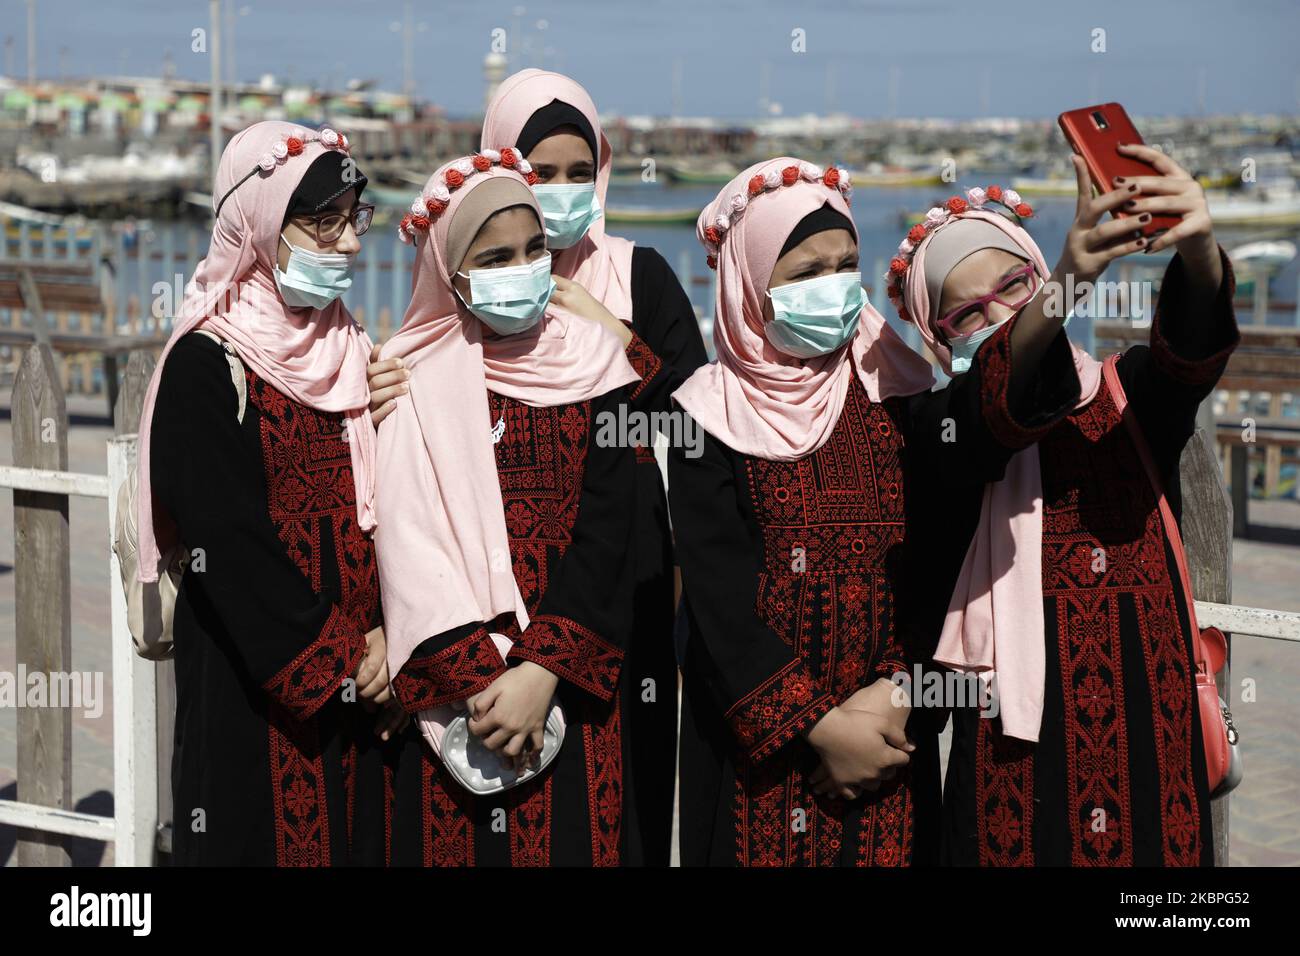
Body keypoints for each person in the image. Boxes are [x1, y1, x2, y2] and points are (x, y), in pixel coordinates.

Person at [370, 69, 707, 865]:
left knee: (615, 807)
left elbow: (689, 433)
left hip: (614, 604)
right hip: (468, 654)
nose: (558, 193)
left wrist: (612, 341)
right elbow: (404, 512)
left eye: (577, 171)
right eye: (539, 170)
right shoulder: (442, 327)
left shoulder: (636, 278)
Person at [886, 146, 1238, 866]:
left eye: (1016, 285)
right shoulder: (937, 423)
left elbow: (1189, 354)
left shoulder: (1128, 392)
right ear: (936, 336)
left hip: (1151, 741)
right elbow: (997, 407)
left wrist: (1198, 248)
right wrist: (1068, 280)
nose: (999, 313)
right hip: (1014, 760)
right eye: (966, 313)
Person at [669, 157, 947, 866]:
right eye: (803, 273)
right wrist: (819, 729)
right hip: (760, 756)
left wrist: (894, 701)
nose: (831, 288)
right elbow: (717, 601)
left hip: (892, 738)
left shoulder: (900, 389)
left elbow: (942, 561)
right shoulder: (708, 414)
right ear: (750, 285)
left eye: (845, 265)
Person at [138, 120, 401, 866]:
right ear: (258, 226)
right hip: (256, 696)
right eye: (323, 222)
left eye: (354, 219)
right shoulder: (204, 364)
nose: (350, 243)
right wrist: (343, 661)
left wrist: (393, 638)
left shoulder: (350, 350)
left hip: (369, 694)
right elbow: (229, 541)